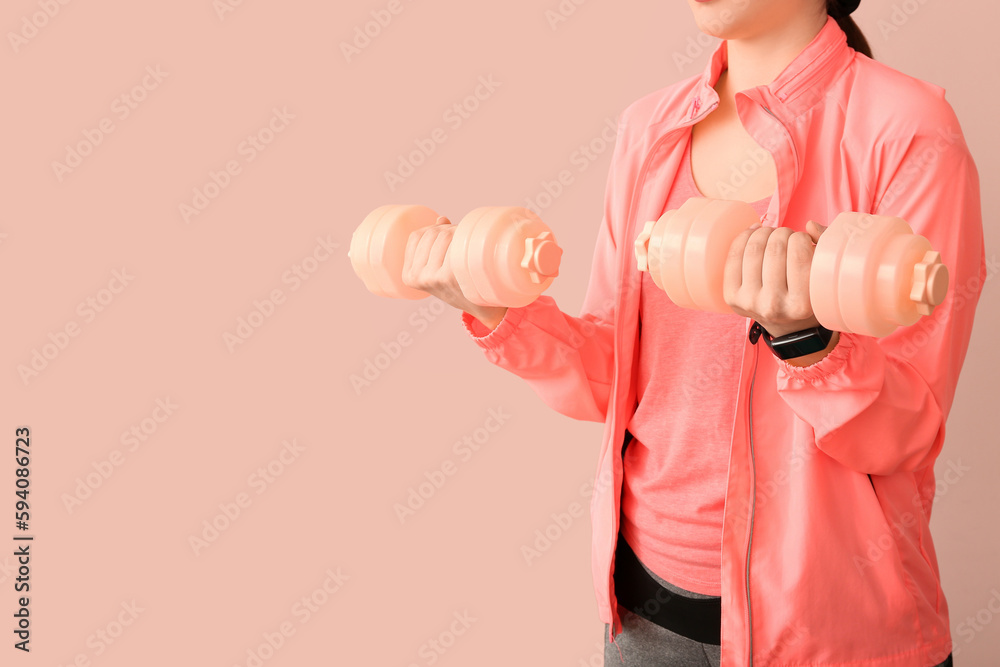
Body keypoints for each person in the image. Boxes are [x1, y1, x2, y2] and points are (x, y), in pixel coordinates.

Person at [400, 0, 984, 665]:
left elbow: (907, 431)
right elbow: (614, 377)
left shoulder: (908, 129)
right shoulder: (650, 127)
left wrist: (806, 340)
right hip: (646, 622)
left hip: (831, 638)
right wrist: (502, 310)